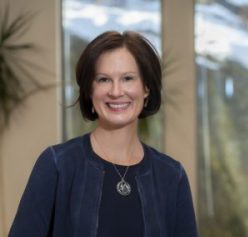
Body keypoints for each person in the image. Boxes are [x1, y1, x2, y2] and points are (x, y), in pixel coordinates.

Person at [8, 31, 198, 237]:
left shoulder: (172, 175)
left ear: (146, 88)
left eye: (127, 78)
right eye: (103, 79)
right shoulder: (57, 164)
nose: (116, 92)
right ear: (90, 90)